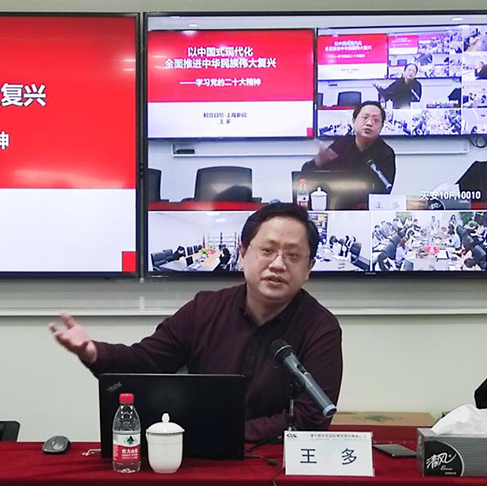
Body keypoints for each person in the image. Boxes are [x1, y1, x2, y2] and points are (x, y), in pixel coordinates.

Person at [49, 203, 342, 442]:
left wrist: (225, 433)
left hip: (276, 464)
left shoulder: (321, 328)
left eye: (293, 256)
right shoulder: (204, 310)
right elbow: (146, 363)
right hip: (202, 456)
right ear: (242, 254)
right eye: (267, 251)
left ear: (309, 268)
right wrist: (94, 352)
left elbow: (312, 416)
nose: (278, 264)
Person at [301, 101, 396, 194]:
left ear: (381, 127)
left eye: (375, 120)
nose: (369, 123)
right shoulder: (340, 146)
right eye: (365, 118)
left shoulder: (385, 153)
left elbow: (384, 191)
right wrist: (318, 161)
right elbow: (305, 174)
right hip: (337, 201)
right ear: (353, 121)